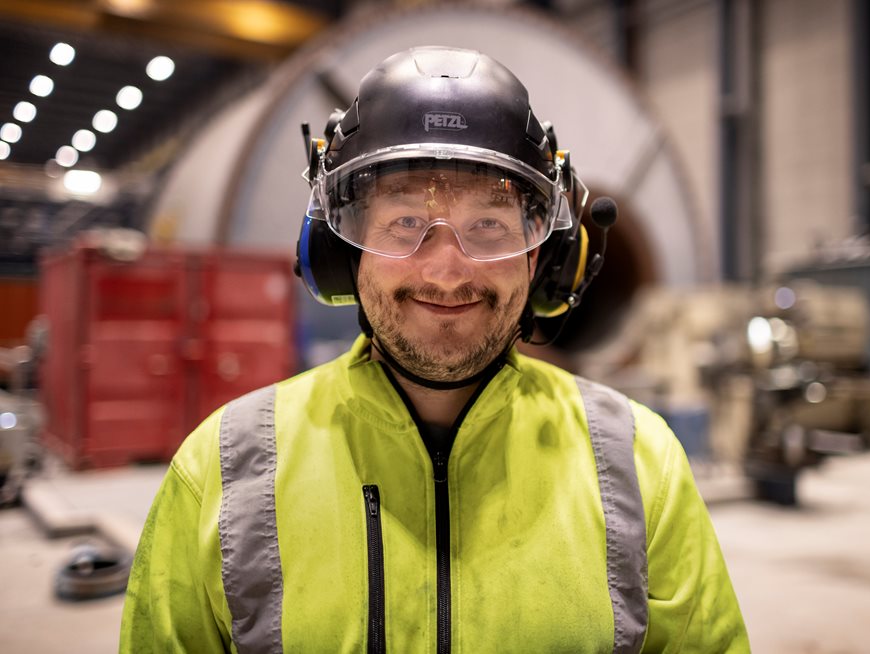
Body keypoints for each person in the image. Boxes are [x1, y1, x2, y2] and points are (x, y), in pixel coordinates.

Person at [120, 46, 750, 653]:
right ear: (341, 252)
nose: (447, 272)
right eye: (404, 224)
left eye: (489, 226)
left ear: (546, 259)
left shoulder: (641, 466)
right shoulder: (222, 472)